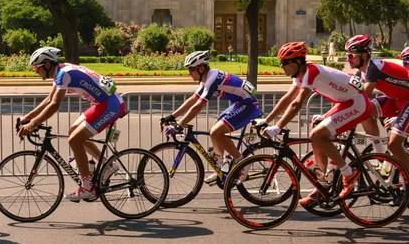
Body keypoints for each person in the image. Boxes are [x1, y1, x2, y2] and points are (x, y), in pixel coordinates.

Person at [260, 42, 372, 202]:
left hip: (357, 103)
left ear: (297, 62)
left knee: (318, 135)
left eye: (284, 62)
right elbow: (287, 99)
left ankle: (349, 173)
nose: (281, 66)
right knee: (315, 129)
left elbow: (297, 104)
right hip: (346, 103)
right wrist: (266, 120)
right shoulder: (302, 75)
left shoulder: (311, 72)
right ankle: (323, 183)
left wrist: (277, 128)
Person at [16, 46, 125, 201]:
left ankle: (87, 187)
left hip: (110, 105)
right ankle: (108, 164)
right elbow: (48, 100)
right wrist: (26, 118)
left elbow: (54, 105)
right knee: (73, 131)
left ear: (47, 65)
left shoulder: (63, 74)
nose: (35, 71)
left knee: (75, 139)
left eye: (37, 67)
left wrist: (32, 124)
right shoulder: (61, 71)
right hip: (103, 103)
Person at [162, 50, 261, 183]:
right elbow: (193, 99)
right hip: (240, 103)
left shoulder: (212, 79)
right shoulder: (207, 78)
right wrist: (172, 116)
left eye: (191, 69)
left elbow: (197, 106)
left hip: (249, 105)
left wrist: (180, 124)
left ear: (201, 68)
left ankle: (242, 162)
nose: (189, 73)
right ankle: (221, 169)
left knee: (216, 132)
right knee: (214, 131)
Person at [345, 34, 409, 174]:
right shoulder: (360, 72)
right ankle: (381, 156)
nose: (347, 59)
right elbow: (349, 96)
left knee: (393, 145)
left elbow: (362, 98)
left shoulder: (373, 68)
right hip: (397, 100)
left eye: (351, 56)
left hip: (407, 101)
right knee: (365, 113)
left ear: (363, 56)